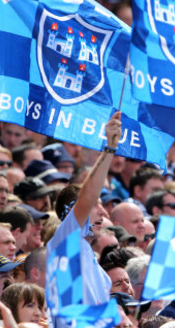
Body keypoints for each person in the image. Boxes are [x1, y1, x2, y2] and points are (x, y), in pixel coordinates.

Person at [46, 112, 121, 305]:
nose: (104, 213)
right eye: (96, 205)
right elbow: (87, 196)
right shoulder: (65, 240)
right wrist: (109, 149)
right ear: (72, 210)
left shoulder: (89, 255)